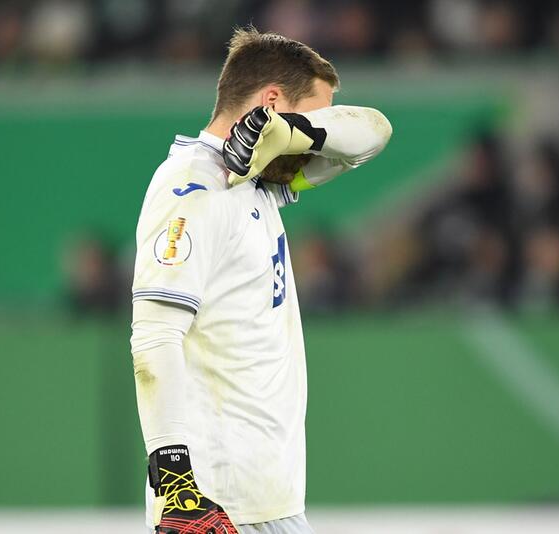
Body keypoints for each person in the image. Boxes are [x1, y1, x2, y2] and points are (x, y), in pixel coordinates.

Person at [129, 27, 391, 534]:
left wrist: (297, 133)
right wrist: (176, 480)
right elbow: (155, 335)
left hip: (264, 498)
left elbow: (372, 134)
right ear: (271, 101)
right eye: (318, 117)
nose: (327, 133)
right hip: (219, 500)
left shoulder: (258, 181)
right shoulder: (193, 186)